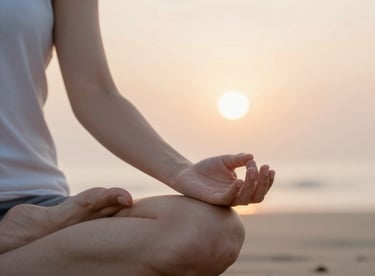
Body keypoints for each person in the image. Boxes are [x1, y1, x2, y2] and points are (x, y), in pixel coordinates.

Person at [0, 0, 275, 275]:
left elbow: (95, 93)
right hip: (35, 224)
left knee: (209, 231)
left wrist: (181, 172)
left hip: (36, 203)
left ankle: (17, 240)